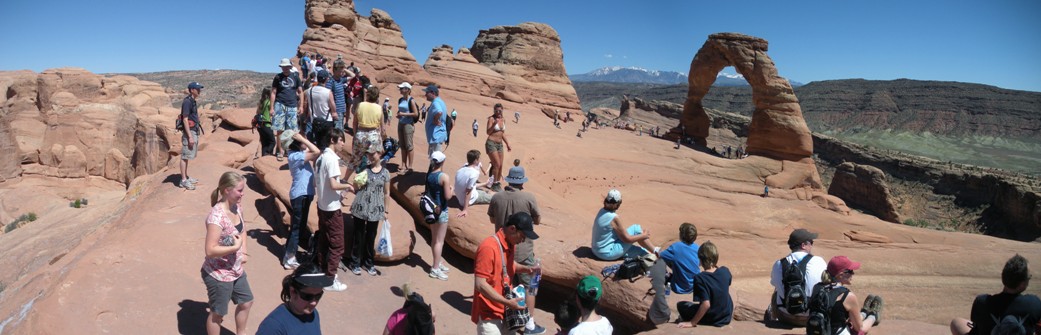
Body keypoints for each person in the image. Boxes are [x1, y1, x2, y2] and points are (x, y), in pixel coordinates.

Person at [487, 165, 546, 334]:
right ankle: (529, 325)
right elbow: (538, 220)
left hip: (503, 248)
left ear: (509, 180)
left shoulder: (497, 197)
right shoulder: (529, 197)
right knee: (529, 287)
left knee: (508, 284)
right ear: (522, 182)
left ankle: (508, 319)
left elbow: (492, 219)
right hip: (524, 248)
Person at [201, 171, 254, 335]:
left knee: (246, 301)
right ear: (226, 190)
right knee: (217, 314)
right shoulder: (216, 217)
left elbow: (242, 228)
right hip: (219, 274)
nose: (242, 193)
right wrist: (235, 248)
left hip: (235, 269)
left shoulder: (236, 207)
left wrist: (244, 250)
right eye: (239, 190)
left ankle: (241, 333)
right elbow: (210, 250)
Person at [472, 212, 541, 335]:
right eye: (522, 235)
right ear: (512, 229)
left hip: (506, 312)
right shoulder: (488, 247)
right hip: (490, 315)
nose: (523, 240)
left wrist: (527, 269)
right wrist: (507, 302)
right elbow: (480, 284)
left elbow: (508, 265)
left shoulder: (510, 244)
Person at [951, 254, 1041, 335]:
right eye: (1029, 277)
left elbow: (976, 326)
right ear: (1021, 284)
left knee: (956, 322)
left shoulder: (981, 302)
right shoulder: (1034, 304)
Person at [314, 127, 354, 291]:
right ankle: (330, 279)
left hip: (322, 205)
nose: (343, 143)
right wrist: (348, 186)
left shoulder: (321, 157)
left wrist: (339, 192)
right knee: (337, 245)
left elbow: (325, 184)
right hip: (332, 209)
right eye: (341, 140)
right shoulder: (332, 160)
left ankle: (322, 270)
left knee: (324, 240)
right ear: (333, 140)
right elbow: (333, 184)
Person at [347, 142, 390, 276]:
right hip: (361, 207)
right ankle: (355, 262)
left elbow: (386, 193)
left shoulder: (385, 173)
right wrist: (356, 181)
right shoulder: (364, 169)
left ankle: (369, 263)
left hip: (376, 209)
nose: (370, 156)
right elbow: (356, 186)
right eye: (369, 154)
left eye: (373, 154)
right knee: (358, 235)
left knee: (371, 236)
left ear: (379, 153)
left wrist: (386, 211)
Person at [809, 256, 882, 335]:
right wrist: (872, 317)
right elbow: (859, 328)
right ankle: (873, 315)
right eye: (850, 271)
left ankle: (864, 312)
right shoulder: (847, 296)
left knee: (846, 318)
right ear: (841, 275)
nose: (853, 273)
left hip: (817, 330)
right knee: (859, 329)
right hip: (836, 331)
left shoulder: (816, 288)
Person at [769, 228, 827, 326]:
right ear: (803, 245)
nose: (812, 245)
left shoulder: (778, 264)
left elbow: (774, 283)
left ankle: (773, 319)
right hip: (810, 318)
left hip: (785, 315)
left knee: (776, 290)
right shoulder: (818, 261)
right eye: (811, 242)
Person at [281, 130, 320, 270]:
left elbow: (313, 150)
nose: (304, 140)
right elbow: (316, 152)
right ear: (296, 144)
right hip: (300, 195)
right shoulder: (296, 156)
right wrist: (304, 140)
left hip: (304, 194)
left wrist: (301, 140)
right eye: (300, 140)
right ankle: (289, 258)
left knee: (299, 227)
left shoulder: (297, 154)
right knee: (297, 228)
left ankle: (289, 253)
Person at [256, 262, 329, 334]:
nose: (314, 302)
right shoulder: (273, 327)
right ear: (293, 292)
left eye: (318, 296)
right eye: (308, 296)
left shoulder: (313, 313)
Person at [677, 241, 733, 328]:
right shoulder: (725, 271)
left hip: (713, 318)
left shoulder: (700, 278)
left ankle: (693, 319)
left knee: (681, 305)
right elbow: (724, 285)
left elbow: (706, 304)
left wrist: (692, 323)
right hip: (726, 316)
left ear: (701, 259)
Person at [590, 189, 658, 261]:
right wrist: (644, 235)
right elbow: (626, 239)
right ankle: (655, 251)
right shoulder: (613, 217)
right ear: (616, 204)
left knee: (641, 251)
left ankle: (652, 253)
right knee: (636, 229)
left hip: (597, 251)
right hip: (607, 253)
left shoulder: (602, 211)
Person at [426, 151, 453, 280]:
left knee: (434, 239)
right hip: (441, 211)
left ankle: (437, 262)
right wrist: (451, 189)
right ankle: (435, 269)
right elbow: (448, 196)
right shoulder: (444, 177)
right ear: (442, 162)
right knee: (439, 241)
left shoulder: (429, 174)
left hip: (431, 210)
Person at [271, 58, 304, 161]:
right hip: (280, 104)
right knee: (280, 129)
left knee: (292, 130)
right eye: (283, 66)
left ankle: (291, 150)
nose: (285, 68)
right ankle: (280, 151)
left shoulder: (295, 77)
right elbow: (273, 92)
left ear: (290, 67)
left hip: (292, 105)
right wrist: (271, 108)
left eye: (286, 66)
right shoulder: (278, 77)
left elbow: (300, 91)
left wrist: (301, 105)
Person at [350, 85, 386, 172]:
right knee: (375, 158)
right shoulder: (379, 108)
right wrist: (382, 139)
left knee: (355, 159)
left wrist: (355, 134)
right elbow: (382, 127)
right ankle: (375, 175)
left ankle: (345, 178)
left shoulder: (360, 105)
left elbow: (355, 123)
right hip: (374, 134)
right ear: (377, 97)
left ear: (368, 95)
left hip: (361, 133)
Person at [660, 222, 701, 295]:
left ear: (681, 235)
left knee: (662, 260)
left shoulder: (676, 247)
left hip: (678, 288)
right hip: (693, 286)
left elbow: (661, 255)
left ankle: (666, 276)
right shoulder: (698, 248)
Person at [454, 150, 494, 218]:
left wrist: (485, 184)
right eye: (479, 158)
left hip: (460, 197)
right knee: (494, 198)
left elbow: (469, 186)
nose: (480, 160)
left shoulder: (460, 170)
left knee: (487, 192)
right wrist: (465, 209)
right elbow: (468, 191)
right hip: (469, 200)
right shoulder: (474, 173)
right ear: (476, 160)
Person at [180, 82, 204, 190]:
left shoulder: (193, 101)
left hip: (193, 130)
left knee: (188, 155)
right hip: (189, 132)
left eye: (199, 89)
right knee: (185, 156)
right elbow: (185, 119)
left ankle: (186, 177)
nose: (199, 90)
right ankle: (183, 180)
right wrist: (189, 136)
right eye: (197, 89)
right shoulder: (187, 102)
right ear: (192, 90)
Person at [301, 70, 337, 143]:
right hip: (327, 121)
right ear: (326, 79)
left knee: (316, 141)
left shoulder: (309, 91)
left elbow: (306, 103)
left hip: (314, 121)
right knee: (326, 142)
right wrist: (335, 114)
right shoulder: (328, 92)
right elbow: (333, 108)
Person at [485, 103, 513, 192]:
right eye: (496, 111)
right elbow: (488, 132)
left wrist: (507, 143)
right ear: (494, 111)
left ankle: (496, 182)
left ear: (502, 110)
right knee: (496, 164)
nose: (498, 112)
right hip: (491, 143)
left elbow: (502, 133)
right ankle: (494, 183)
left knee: (500, 165)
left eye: (500, 110)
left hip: (500, 144)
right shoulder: (491, 119)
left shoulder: (503, 119)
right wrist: (494, 124)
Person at [395, 82, 420, 173]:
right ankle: (403, 165)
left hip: (408, 125)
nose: (400, 90)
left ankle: (410, 167)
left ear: (408, 90)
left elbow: (415, 113)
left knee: (409, 145)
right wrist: (399, 115)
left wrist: (403, 114)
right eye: (400, 88)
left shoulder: (411, 100)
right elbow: (401, 110)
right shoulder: (400, 100)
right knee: (402, 145)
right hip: (401, 123)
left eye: (402, 88)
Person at [423, 84, 448, 157]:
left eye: (427, 93)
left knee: (436, 158)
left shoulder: (436, 102)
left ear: (433, 93)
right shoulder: (440, 101)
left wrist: (435, 120)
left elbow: (439, 112)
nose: (425, 95)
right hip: (437, 135)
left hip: (436, 135)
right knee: (435, 158)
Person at [326, 60, 349, 132]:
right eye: (340, 71)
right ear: (335, 70)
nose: (342, 73)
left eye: (342, 71)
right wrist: (333, 111)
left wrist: (344, 69)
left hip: (341, 110)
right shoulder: (331, 82)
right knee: (338, 133)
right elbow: (328, 97)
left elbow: (353, 76)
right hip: (336, 110)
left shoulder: (341, 80)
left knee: (339, 131)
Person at [255, 87, 275, 157]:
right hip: (267, 125)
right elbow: (273, 112)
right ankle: (267, 153)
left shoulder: (261, 102)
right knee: (272, 142)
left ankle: (264, 156)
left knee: (264, 143)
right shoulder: (269, 102)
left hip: (260, 126)